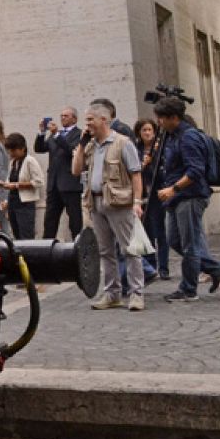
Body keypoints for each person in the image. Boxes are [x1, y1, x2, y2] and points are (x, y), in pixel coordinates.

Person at [153, 97, 220, 302]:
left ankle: (188, 289)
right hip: (175, 198)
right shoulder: (171, 136)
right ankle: (217, 269)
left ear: (173, 118)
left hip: (190, 196)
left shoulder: (188, 137)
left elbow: (195, 170)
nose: (158, 122)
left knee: (190, 245)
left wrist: (173, 188)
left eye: (161, 118)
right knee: (175, 241)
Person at [72, 102, 146, 311]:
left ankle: (137, 294)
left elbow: (136, 174)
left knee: (130, 250)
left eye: (90, 120)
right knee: (105, 251)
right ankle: (112, 293)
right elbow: (76, 170)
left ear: (103, 120)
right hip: (96, 202)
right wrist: (81, 144)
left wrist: (137, 203)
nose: (87, 125)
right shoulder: (89, 145)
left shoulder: (123, 143)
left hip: (120, 203)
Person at [36, 107, 83, 239]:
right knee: (50, 221)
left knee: (75, 221)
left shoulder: (78, 134)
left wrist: (57, 135)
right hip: (54, 184)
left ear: (74, 118)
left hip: (70, 183)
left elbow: (70, 150)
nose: (62, 118)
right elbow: (39, 148)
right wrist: (41, 132)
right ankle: (47, 249)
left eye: (66, 116)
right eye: (61, 115)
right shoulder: (55, 134)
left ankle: (77, 247)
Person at [135, 118, 170, 282]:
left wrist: (153, 160)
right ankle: (150, 265)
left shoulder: (161, 149)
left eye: (150, 130)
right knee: (147, 231)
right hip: (142, 196)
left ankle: (164, 267)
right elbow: (134, 173)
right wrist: (143, 164)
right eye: (144, 130)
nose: (147, 133)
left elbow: (164, 172)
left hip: (157, 194)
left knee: (160, 231)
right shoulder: (136, 150)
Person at [0, 132, 44, 239]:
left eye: (13, 150)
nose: (11, 153)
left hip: (25, 204)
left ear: (22, 148)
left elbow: (39, 181)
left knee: (26, 235)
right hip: (13, 202)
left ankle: (29, 256)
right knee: (16, 235)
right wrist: (6, 200)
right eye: (9, 150)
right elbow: (10, 183)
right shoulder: (13, 162)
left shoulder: (30, 161)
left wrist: (17, 185)